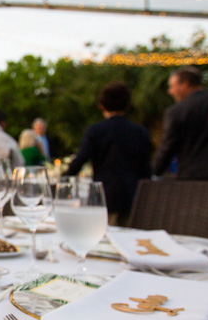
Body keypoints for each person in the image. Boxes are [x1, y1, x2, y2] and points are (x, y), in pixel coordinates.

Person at [66, 81, 153, 225]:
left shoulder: (97, 131)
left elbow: (80, 160)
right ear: (128, 105)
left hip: (105, 197)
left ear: (101, 105)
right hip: (135, 198)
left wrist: (63, 181)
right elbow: (146, 168)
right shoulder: (140, 132)